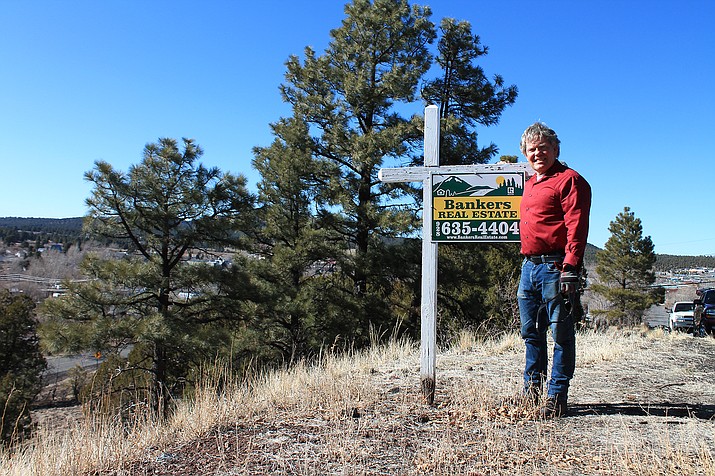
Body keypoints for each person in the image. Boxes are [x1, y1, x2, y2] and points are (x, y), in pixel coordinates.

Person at [517, 122, 591, 418]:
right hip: (528, 267)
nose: (538, 153)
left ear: (555, 149)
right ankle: (531, 393)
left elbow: (577, 226)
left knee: (561, 333)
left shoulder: (569, 180)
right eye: (532, 149)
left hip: (555, 266)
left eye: (543, 148)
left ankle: (556, 396)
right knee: (531, 333)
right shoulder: (531, 182)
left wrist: (571, 267)